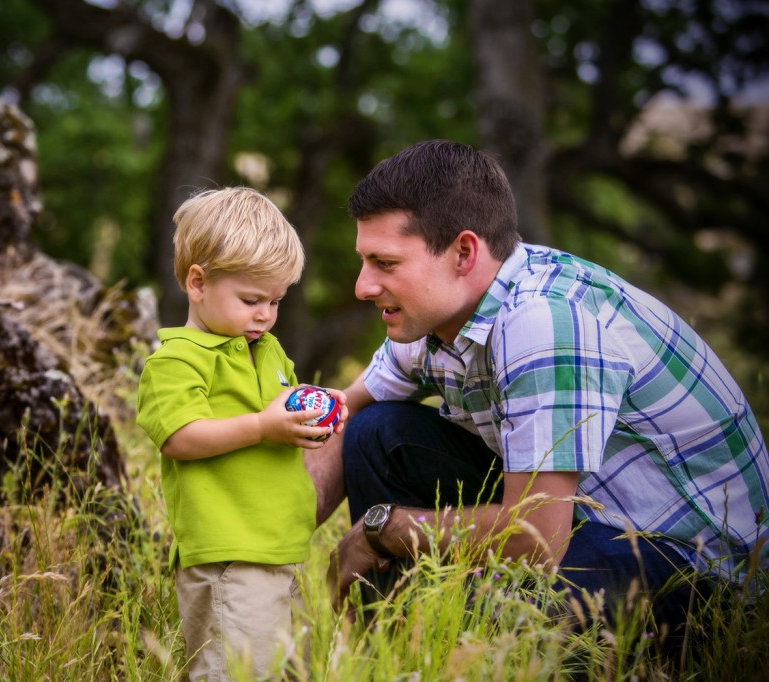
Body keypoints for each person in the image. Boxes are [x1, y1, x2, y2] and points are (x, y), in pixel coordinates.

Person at [309, 139, 768, 648]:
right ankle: (389, 651)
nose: (362, 286)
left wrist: (386, 528)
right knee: (377, 432)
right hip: (583, 517)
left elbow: (536, 538)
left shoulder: (544, 322)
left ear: (464, 252)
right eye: (364, 261)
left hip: (699, 567)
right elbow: (339, 414)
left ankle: (440, 635)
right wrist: (255, 553)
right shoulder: (436, 316)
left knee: (490, 627)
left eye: (385, 263)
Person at [136, 187, 347, 681]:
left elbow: (279, 418)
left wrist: (309, 421)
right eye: (251, 299)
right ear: (197, 282)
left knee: (287, 671)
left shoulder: (268, 351)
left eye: (275, 300)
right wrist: (261, 426)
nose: (266, 315)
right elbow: (180, 437)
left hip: (283, 549)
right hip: (228, 552)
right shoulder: (176, 361)